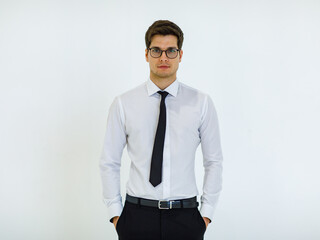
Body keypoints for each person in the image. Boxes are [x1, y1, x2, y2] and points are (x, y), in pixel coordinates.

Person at [99, 20, 223, 240]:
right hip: (136, 217)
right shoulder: (124, 104)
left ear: (180, 55)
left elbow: (213, 161)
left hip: (186, 218)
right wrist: (116, 215)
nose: (163, 57)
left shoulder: (201, 103)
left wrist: (205, 215)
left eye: (171, 51)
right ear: (146, 54)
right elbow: (109, 161)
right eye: (156, 50)